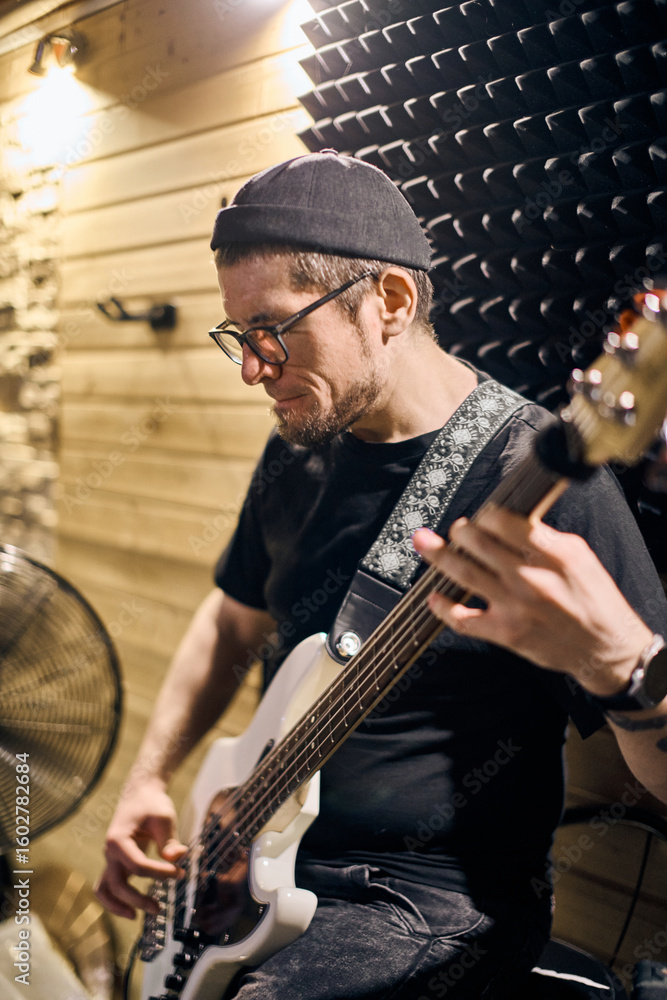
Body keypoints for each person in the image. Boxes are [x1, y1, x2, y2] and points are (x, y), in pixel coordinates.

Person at [95, 151, 667, 1000]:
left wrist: (620, 666)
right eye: (238, 336)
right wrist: (149, 776)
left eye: (274, 330)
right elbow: (232, 616)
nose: (253, 368)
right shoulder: (303, 440)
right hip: (256, 857)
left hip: (428, 903)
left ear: (390, 302)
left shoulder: (545, 484)